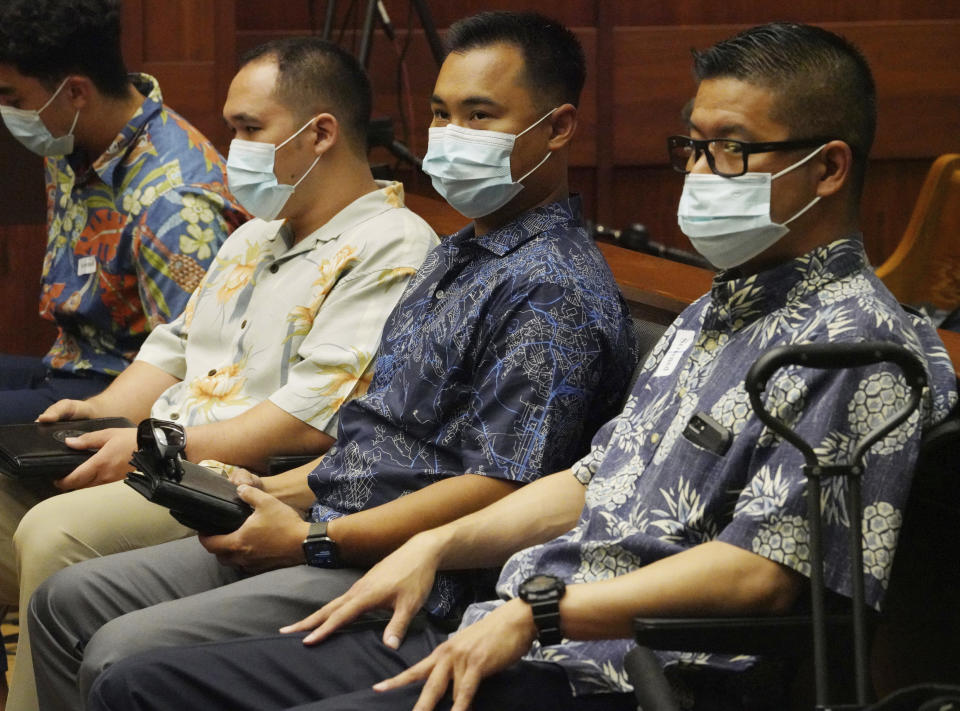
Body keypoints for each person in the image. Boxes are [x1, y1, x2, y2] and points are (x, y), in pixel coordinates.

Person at [78, 21, 959, 711]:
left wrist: (536, 611)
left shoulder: (859, 351)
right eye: (692, 146)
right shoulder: (718, 306)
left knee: (149, 671)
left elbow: (765, 574)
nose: (701, 172)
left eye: (731, 148)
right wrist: (436, 542)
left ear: (827, 167)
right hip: (520, 620)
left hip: (625, 672)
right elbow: (590, 477)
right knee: (141, 685)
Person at [28, 10, 638, 711]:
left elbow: (499, 487)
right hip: (322, 514)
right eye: (440, 114)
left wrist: (312, 537)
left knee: (120, 653)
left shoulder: (551, 286)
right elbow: (375, 443)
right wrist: (261, 499)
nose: (449, 137)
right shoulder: (458, 252)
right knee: (63, 600)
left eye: (480, 115)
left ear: (558, 128)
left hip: (406, 570)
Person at [1, 35, 440, 711]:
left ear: (319, 133)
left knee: (51, 534)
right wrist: (107, 413)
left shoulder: (392, 245)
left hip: (243, 476)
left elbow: (306, 416)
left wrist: (146, 445)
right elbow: (175, 344)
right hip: (160, 438)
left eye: (248, 129)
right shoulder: (257, 231)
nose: (231, 149)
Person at [0, 0, 246, 424]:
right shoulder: (70, 137)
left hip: (123, 395)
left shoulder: (177, 205)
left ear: (76, 92)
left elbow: (194, 370)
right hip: (71, 361)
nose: (9, 113)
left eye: (13, 98)